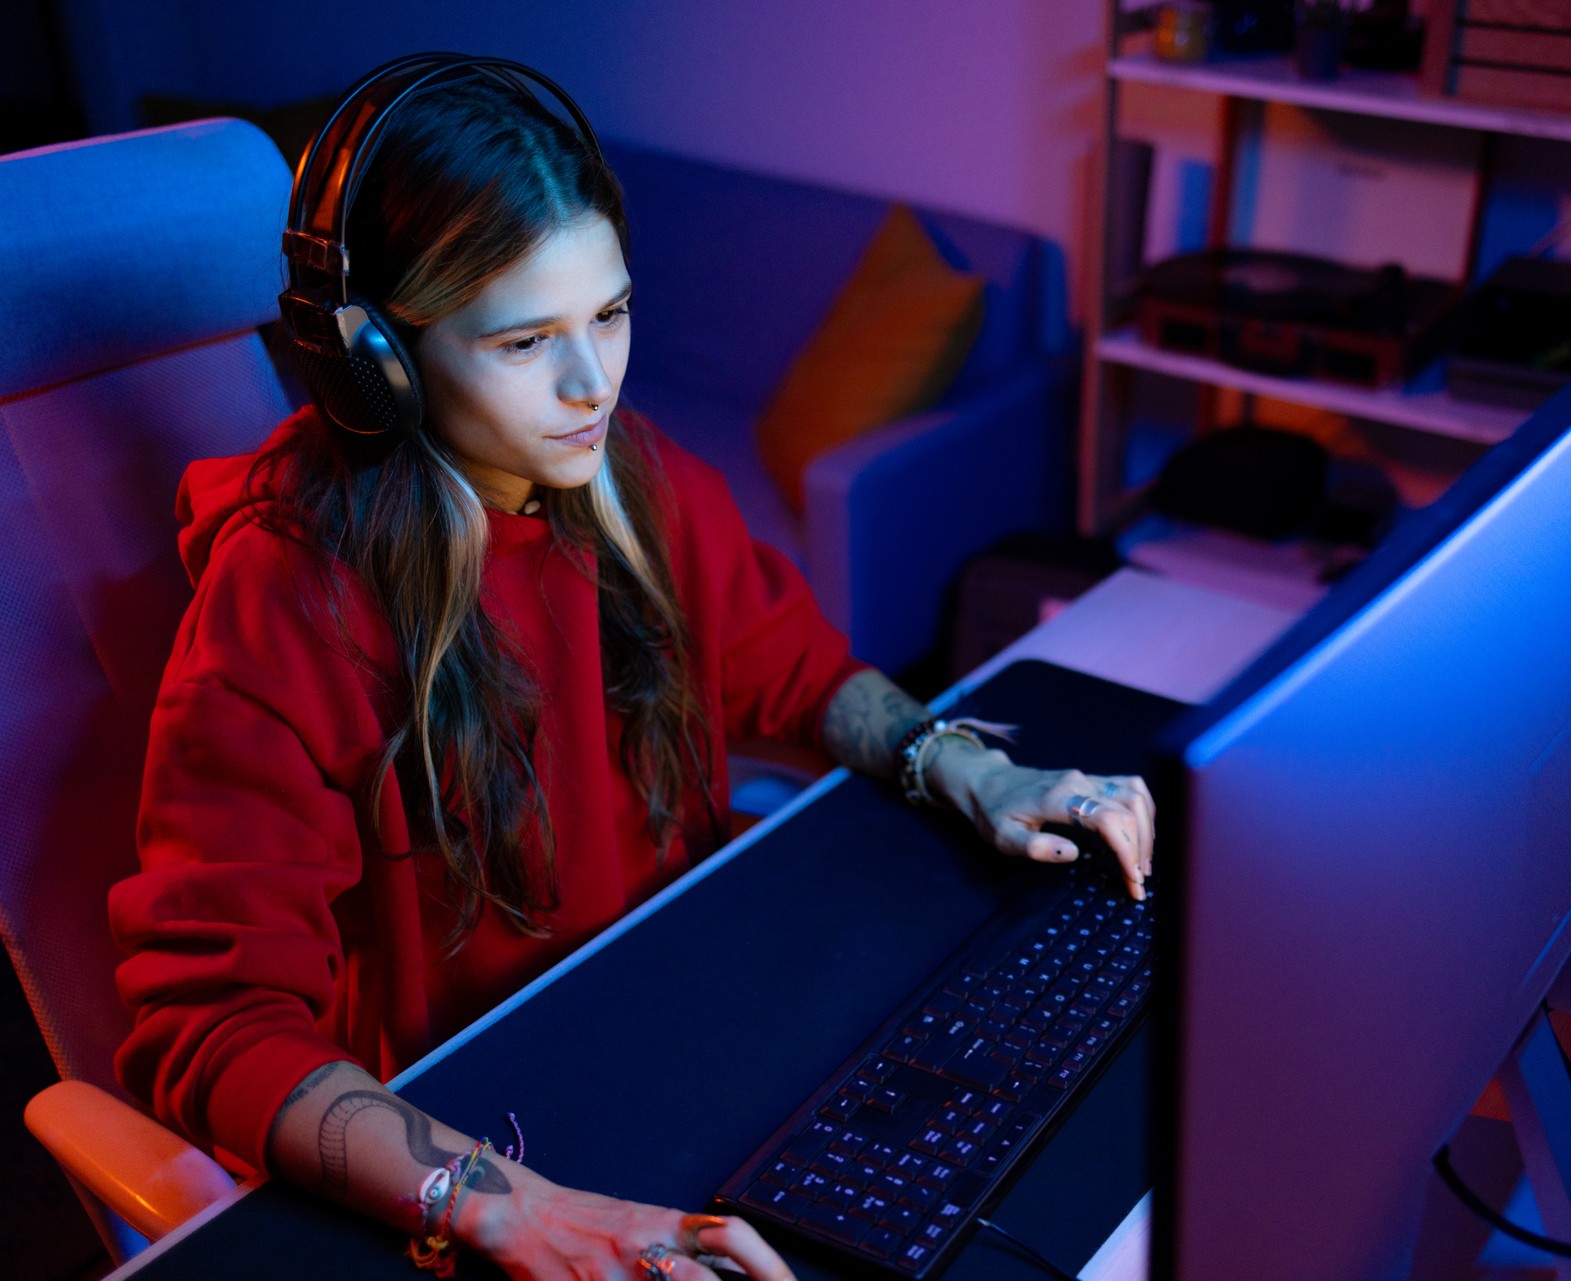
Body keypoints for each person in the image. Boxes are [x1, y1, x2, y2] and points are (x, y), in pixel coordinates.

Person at [107, 63, 1156, 1281]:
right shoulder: (287, 602)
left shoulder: (624, 476)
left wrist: (966, 766)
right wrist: (504, 1207)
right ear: (377, 361)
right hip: (459, 1136)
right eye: (524, 340)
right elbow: (211, 1021)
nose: (590, 384)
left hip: (673, 1036)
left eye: (607, 316)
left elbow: (794, 671)